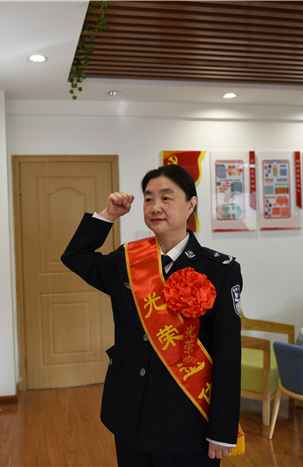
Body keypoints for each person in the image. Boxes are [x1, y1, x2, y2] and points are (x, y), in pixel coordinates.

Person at [62, 165, 243, 466]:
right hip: (129, 413)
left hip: (187, 419)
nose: (155, 207)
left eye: (166, 198)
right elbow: (75, 257)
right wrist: (108, 215)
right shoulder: (126, 260)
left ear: (191, 205)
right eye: (148, 199)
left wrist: (222, 431)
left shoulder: (220, 270)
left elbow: (228, 354)